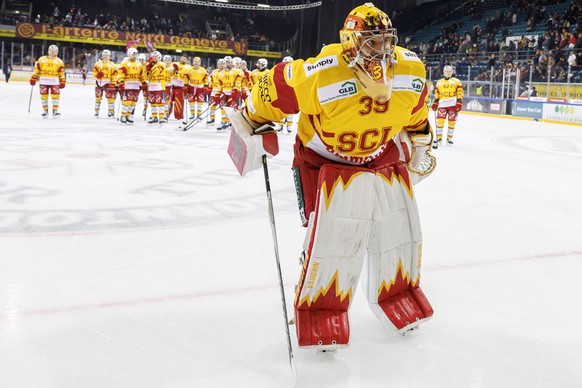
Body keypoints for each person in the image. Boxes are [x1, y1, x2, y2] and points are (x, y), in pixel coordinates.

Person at [230, 3, 435, 351]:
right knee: (331, 238)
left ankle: (399, 293)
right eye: (372, 42)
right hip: (322, 160)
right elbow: (272, 87)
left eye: (386, 41)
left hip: (379, 155)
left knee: (399, 232)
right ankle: (319, 306)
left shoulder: (411, 69)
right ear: (351, 42)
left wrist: (420, 146)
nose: (382, 52)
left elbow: (416, 111)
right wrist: (250, 119)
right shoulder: (323, 73)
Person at [431, 65, 464, 148]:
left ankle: (449, 138)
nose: (448, 73)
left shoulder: (457, 81)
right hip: (442, 104)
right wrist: (435, 101)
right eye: (446, 71)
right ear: (444, 72)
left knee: (452, 122)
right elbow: (437, 93)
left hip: (452, 104)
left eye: (449, 71)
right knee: (440, 121)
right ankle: (439, 138)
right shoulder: (439, 82)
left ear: (452, 72)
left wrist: (459, 101)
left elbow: (460, 92)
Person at [29, 44, 66, 118]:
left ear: (56, 52)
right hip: (43, 81)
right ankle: (45, 111)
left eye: (54, 51)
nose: (52, 52)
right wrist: (33, 78)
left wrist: (62, 81)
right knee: (44, 96)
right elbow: (36, 70)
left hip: (54, 81)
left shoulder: (59, 62)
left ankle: (55, 111)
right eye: (51, 51)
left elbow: (61, 73)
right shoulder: (41, 60)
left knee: (56, 96)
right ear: (48, 51)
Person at [92, 49, 117, 118]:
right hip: (99, 83)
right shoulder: (98, 64)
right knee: (98, 98)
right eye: (104, 55)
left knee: (110, 98)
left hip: (108, 83)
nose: (105, 56)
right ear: (102, 55)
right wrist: (97, 76)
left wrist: (113, 83)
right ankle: (96, 112)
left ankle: (110, 112)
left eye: (107, 55)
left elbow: (114, 75)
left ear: (109, 55)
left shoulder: (113, 65)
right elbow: (94, 72)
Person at [144, 51, 167, 124]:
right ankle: (154, 117)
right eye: (153, 57)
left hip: (159, 85)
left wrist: (151, 66)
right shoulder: (148, 65)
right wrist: (147, 69)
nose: (154, 58)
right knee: (152, 102)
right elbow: (146, 76)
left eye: (156, 57)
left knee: (160, 102)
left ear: (159, 57)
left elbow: (157, 72)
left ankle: (162, 117)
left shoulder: (162, 64)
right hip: (151, 85)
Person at [186, 56, 209, 124]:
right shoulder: (189, 70)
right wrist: (185, 85)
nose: (196, 63)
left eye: (198, 62)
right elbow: (186, 78)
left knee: (200, 101)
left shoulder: (203, 70)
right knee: (191, 101)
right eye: (195, 61)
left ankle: (199, 114)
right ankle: (192, 114)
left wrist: (206, 86)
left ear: (200, 63)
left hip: (200, 87)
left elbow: (206, 78)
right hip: (191, 87)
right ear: (193, 62)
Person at [277, 56, 295, 133]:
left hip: (290, 93)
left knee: (290, 111)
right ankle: (280, 125)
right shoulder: (278, 70)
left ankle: (289, 125)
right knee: (280, 110)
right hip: (281, 93)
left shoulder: (294, 72)